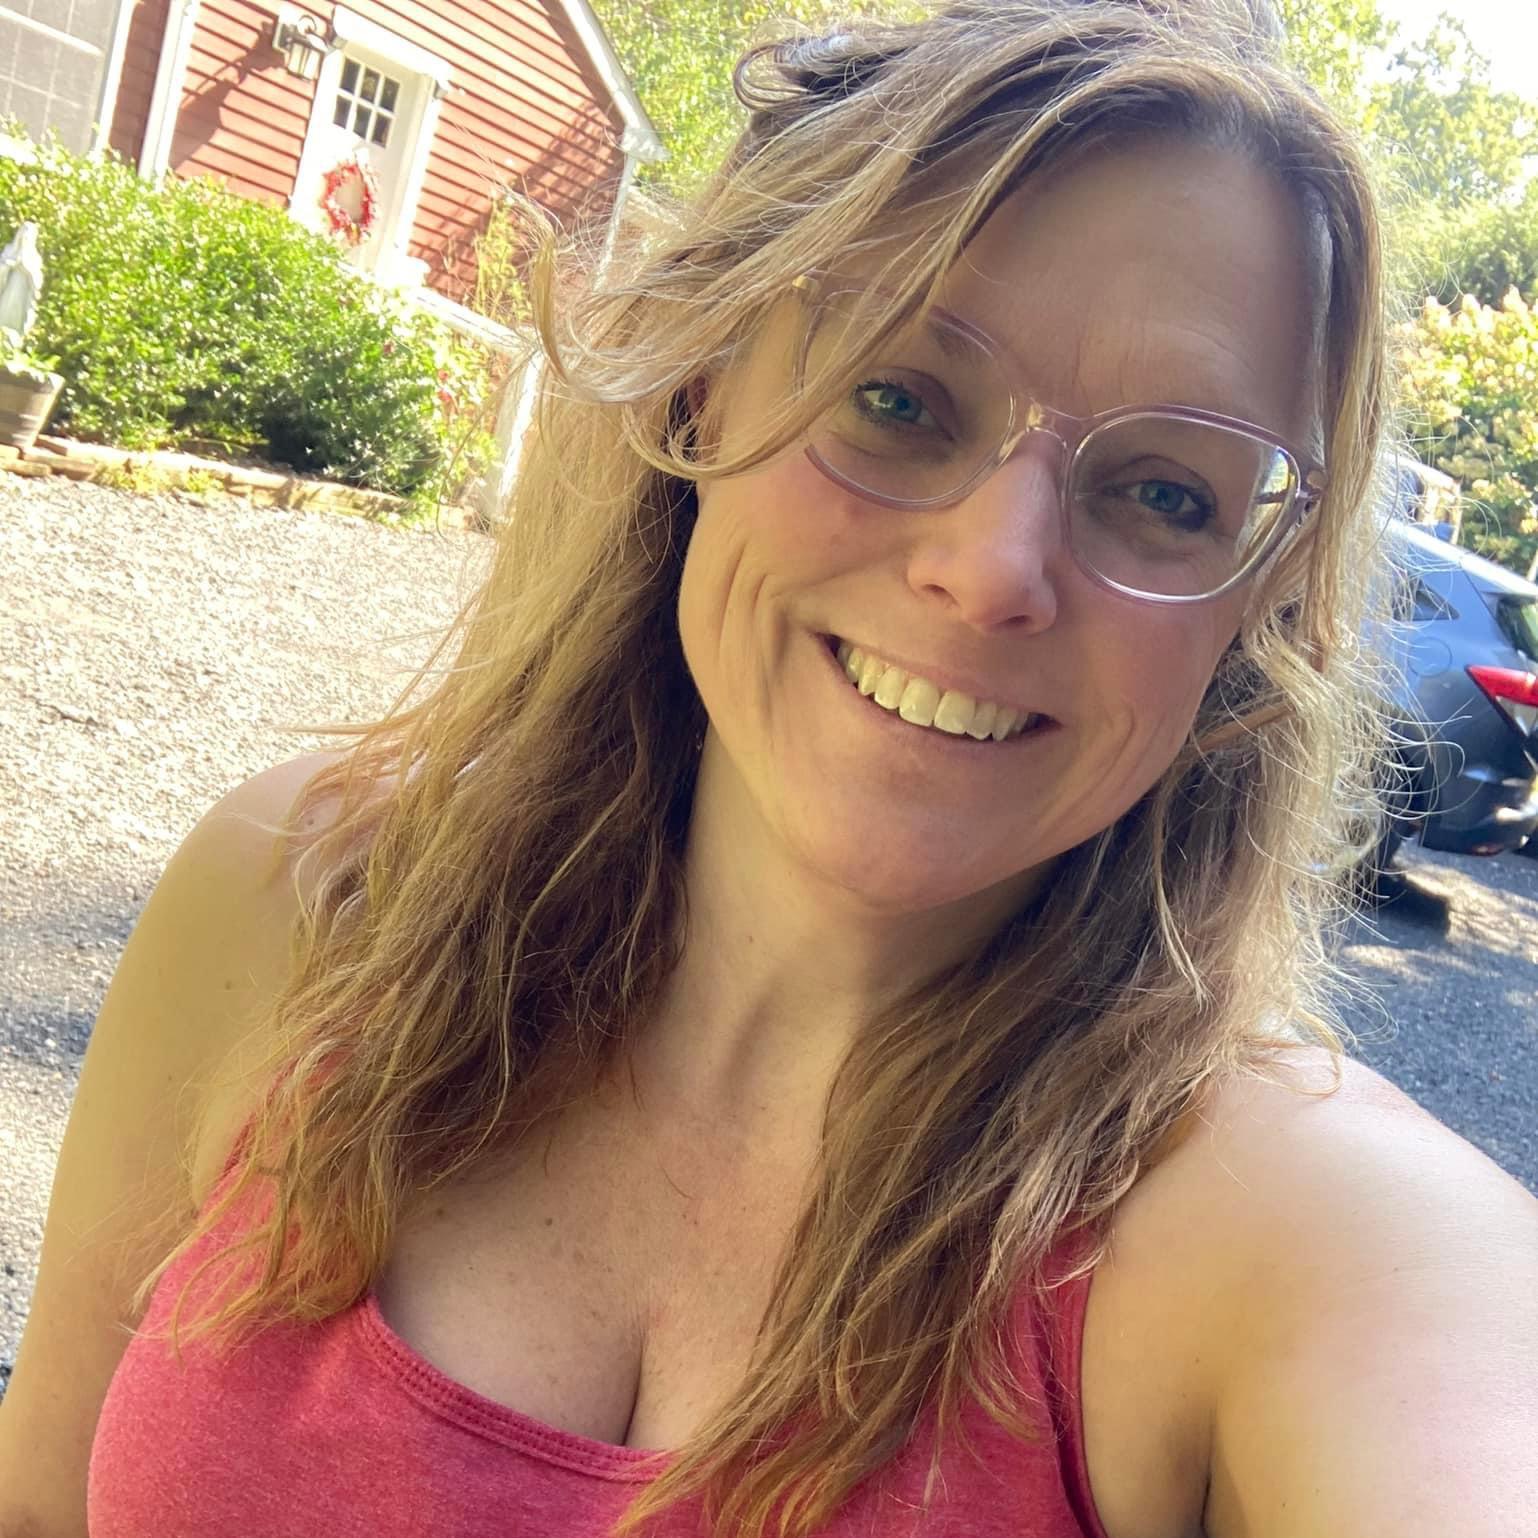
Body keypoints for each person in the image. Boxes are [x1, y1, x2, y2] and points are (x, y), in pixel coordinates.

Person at [3, 0, 1535, 1533]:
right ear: (705, 380)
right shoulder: (291, 904)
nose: (992, 570)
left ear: (1259, 603)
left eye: (1163, 492)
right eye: (898, 396)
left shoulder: (1295, 1241)